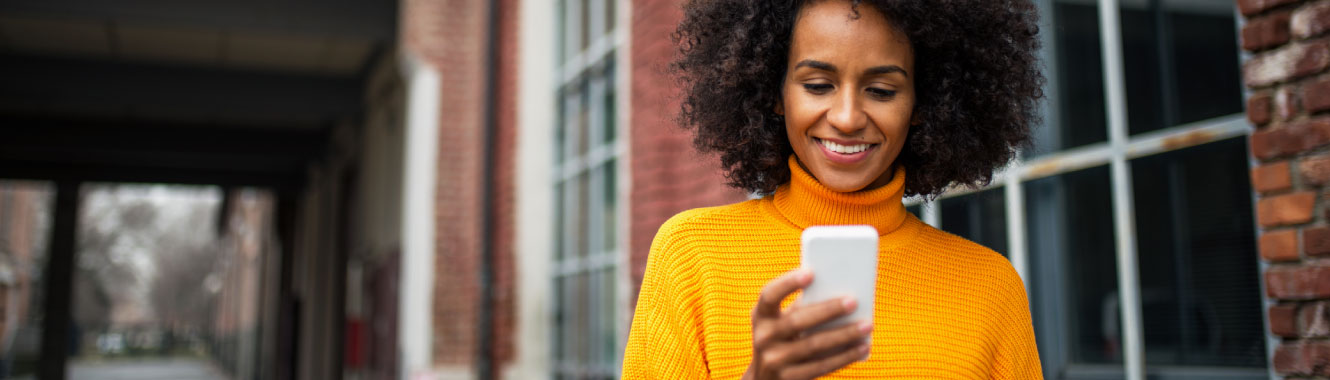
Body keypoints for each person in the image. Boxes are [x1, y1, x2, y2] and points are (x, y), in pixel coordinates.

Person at [621, 0, 1044, 378]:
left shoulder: (991, 286)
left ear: (922, 103)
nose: (846, 118)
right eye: (817, 85)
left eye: (881, 90)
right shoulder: (691, 256)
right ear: (775, 93)